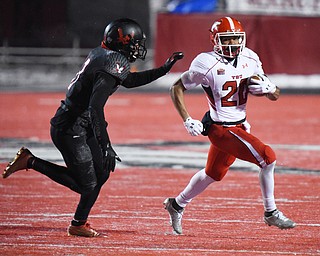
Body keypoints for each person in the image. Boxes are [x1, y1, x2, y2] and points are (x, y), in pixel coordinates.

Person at [2, 18, 183, 237]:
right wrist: (106, 144)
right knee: (86, 185)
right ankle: (31, 163)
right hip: (70, 127)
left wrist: (163, 70)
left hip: (81, 122)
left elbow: (128, 81)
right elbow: (96, 108)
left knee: (101, 172)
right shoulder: (110, 63)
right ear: (120, 41)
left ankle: (79, 222)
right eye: (133, 43)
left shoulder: (105, 55)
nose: (137, 48)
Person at [163, 16, 296, 235]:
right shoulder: (206, 63)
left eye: (236, 39)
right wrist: (187, 118)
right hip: (221, 128)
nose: (233, 44)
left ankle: (176, 204)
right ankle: (270, 212)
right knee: (268, 157)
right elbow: (176, 87)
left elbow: (275, 96)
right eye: (227, 40)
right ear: (215, 40)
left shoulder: (250, 58)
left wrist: (270, 88)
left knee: (213, 174)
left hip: (240, 126)